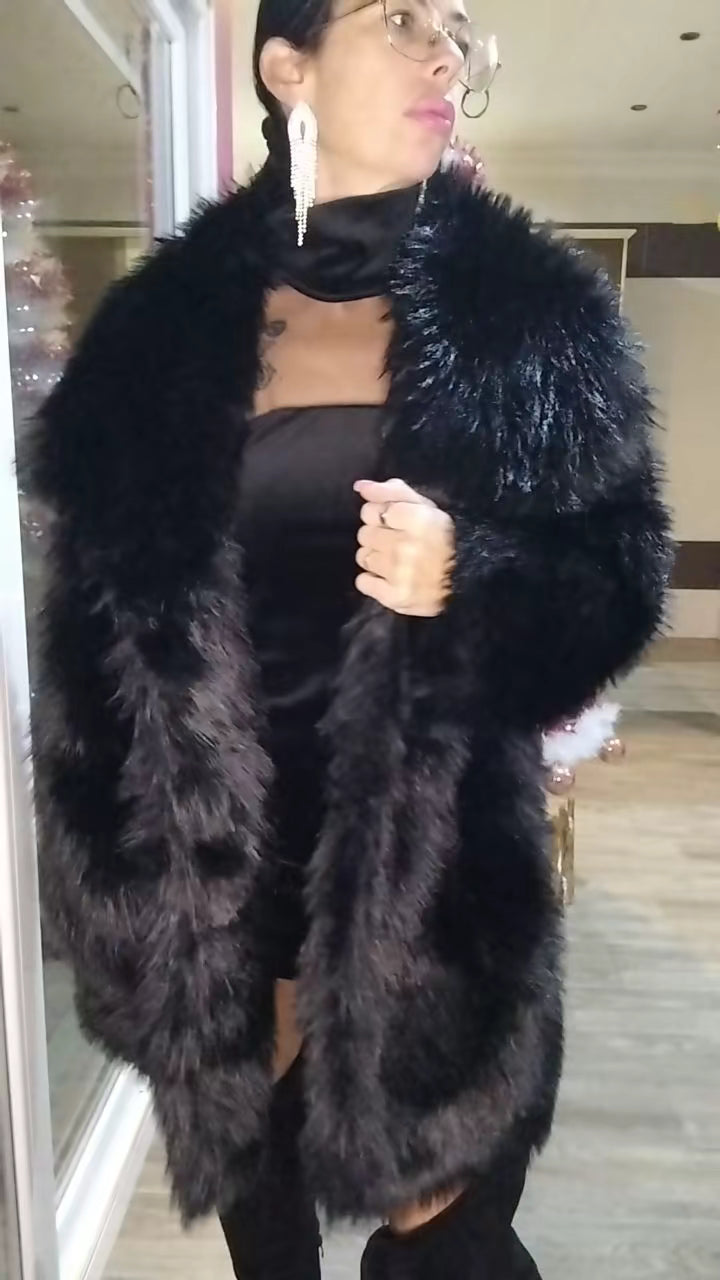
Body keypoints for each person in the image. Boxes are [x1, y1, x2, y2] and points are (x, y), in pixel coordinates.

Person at [20, 1, 672, 1277]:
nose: (444, 51)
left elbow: (618, 577)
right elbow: (91, 641)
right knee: (265, 1213)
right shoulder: (159, 333)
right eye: (400, 18)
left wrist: (471, 574)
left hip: (436, 874)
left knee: (451, 1238)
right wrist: (119, 892)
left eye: (457, 27)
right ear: (288, 66)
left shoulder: (532, 319)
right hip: (221, 870)